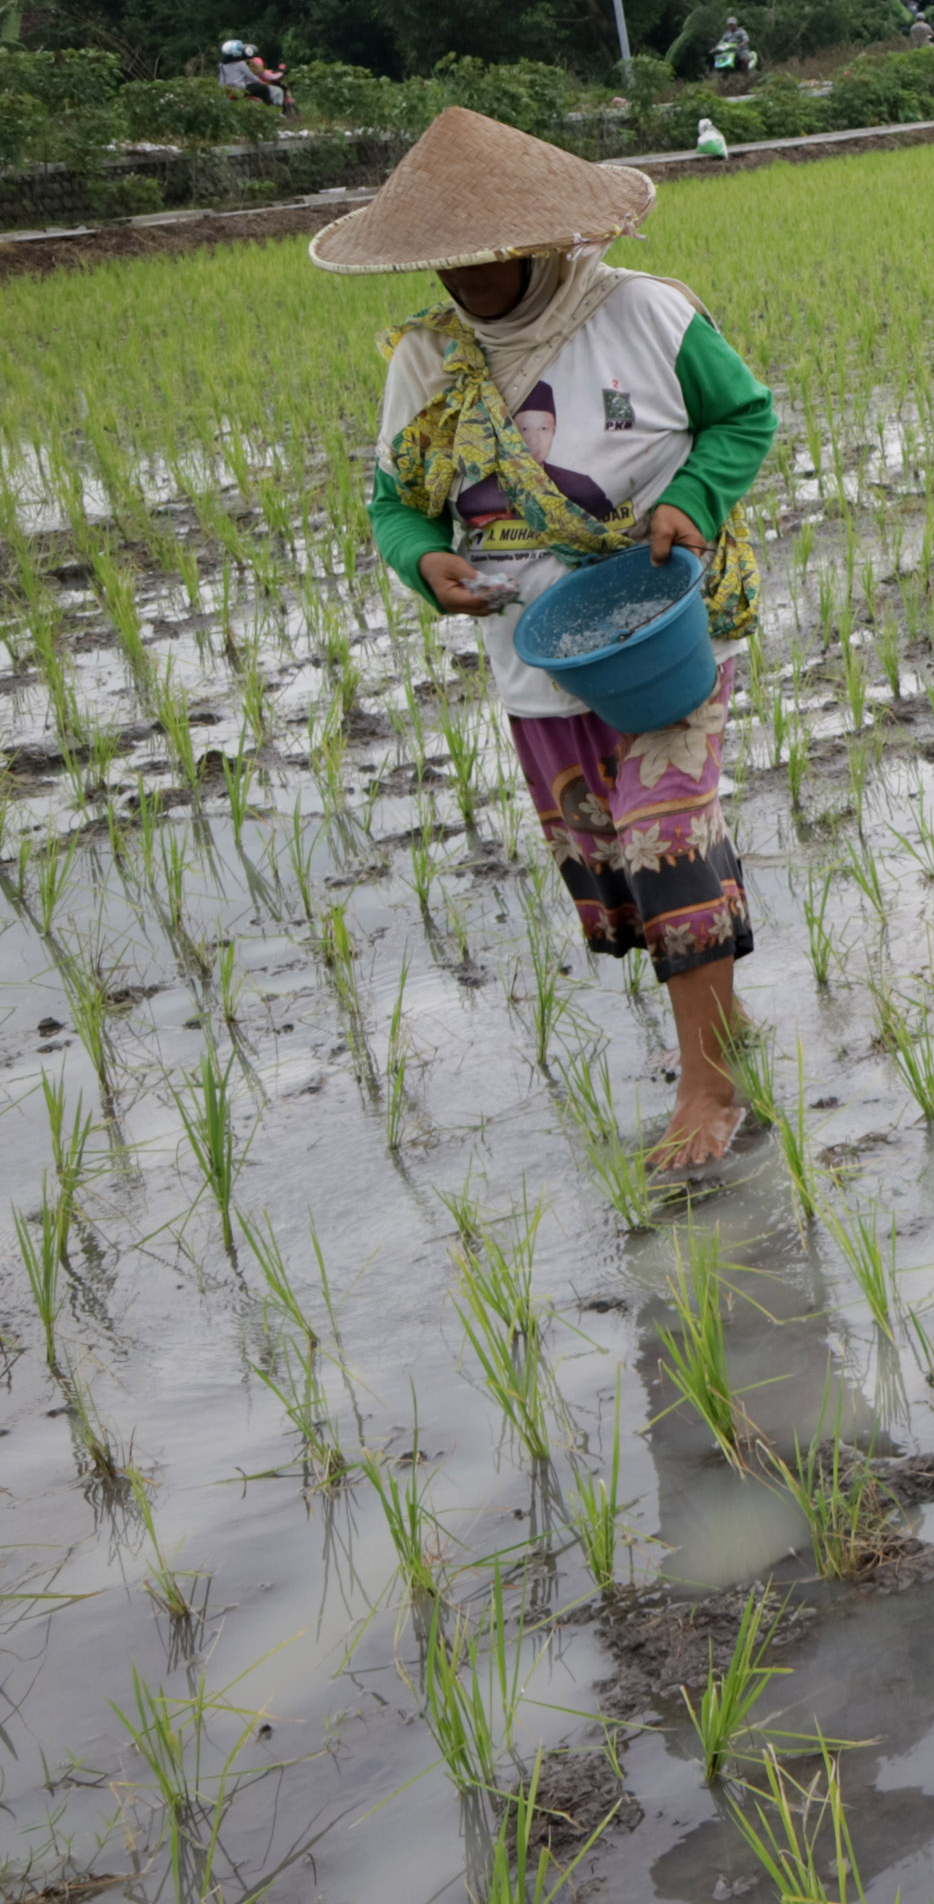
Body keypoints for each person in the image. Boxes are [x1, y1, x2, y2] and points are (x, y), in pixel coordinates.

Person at [317, 107, 779, 1169]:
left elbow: (743, 417)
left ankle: (708, 1086)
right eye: (445, 263)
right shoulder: (429, 361)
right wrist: (421, 560)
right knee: (617, 859)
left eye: (490, 257)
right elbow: (396, 500)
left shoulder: (645, 315)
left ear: (543, 239)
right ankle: (725, 1021)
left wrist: (695, 503)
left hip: (666, 624)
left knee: (669, 838)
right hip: (535, 650)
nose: (468, 280)